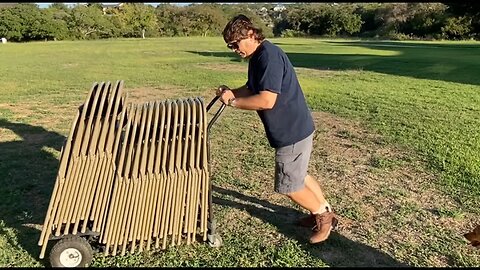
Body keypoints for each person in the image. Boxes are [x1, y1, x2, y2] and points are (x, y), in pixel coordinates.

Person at [215, 14, 338, 244]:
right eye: (229, 46)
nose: (233, 49)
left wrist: (233, 102)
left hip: (291, 130)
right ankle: (321, 210)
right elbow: (252, 87)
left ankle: (323, 217)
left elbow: (265, 100)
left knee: (289, 185)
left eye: (235, 43)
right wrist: (232, 92)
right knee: (299, 175)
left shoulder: (268, 57)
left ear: (251, 34)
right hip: (296, 126)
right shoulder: (259, 56)